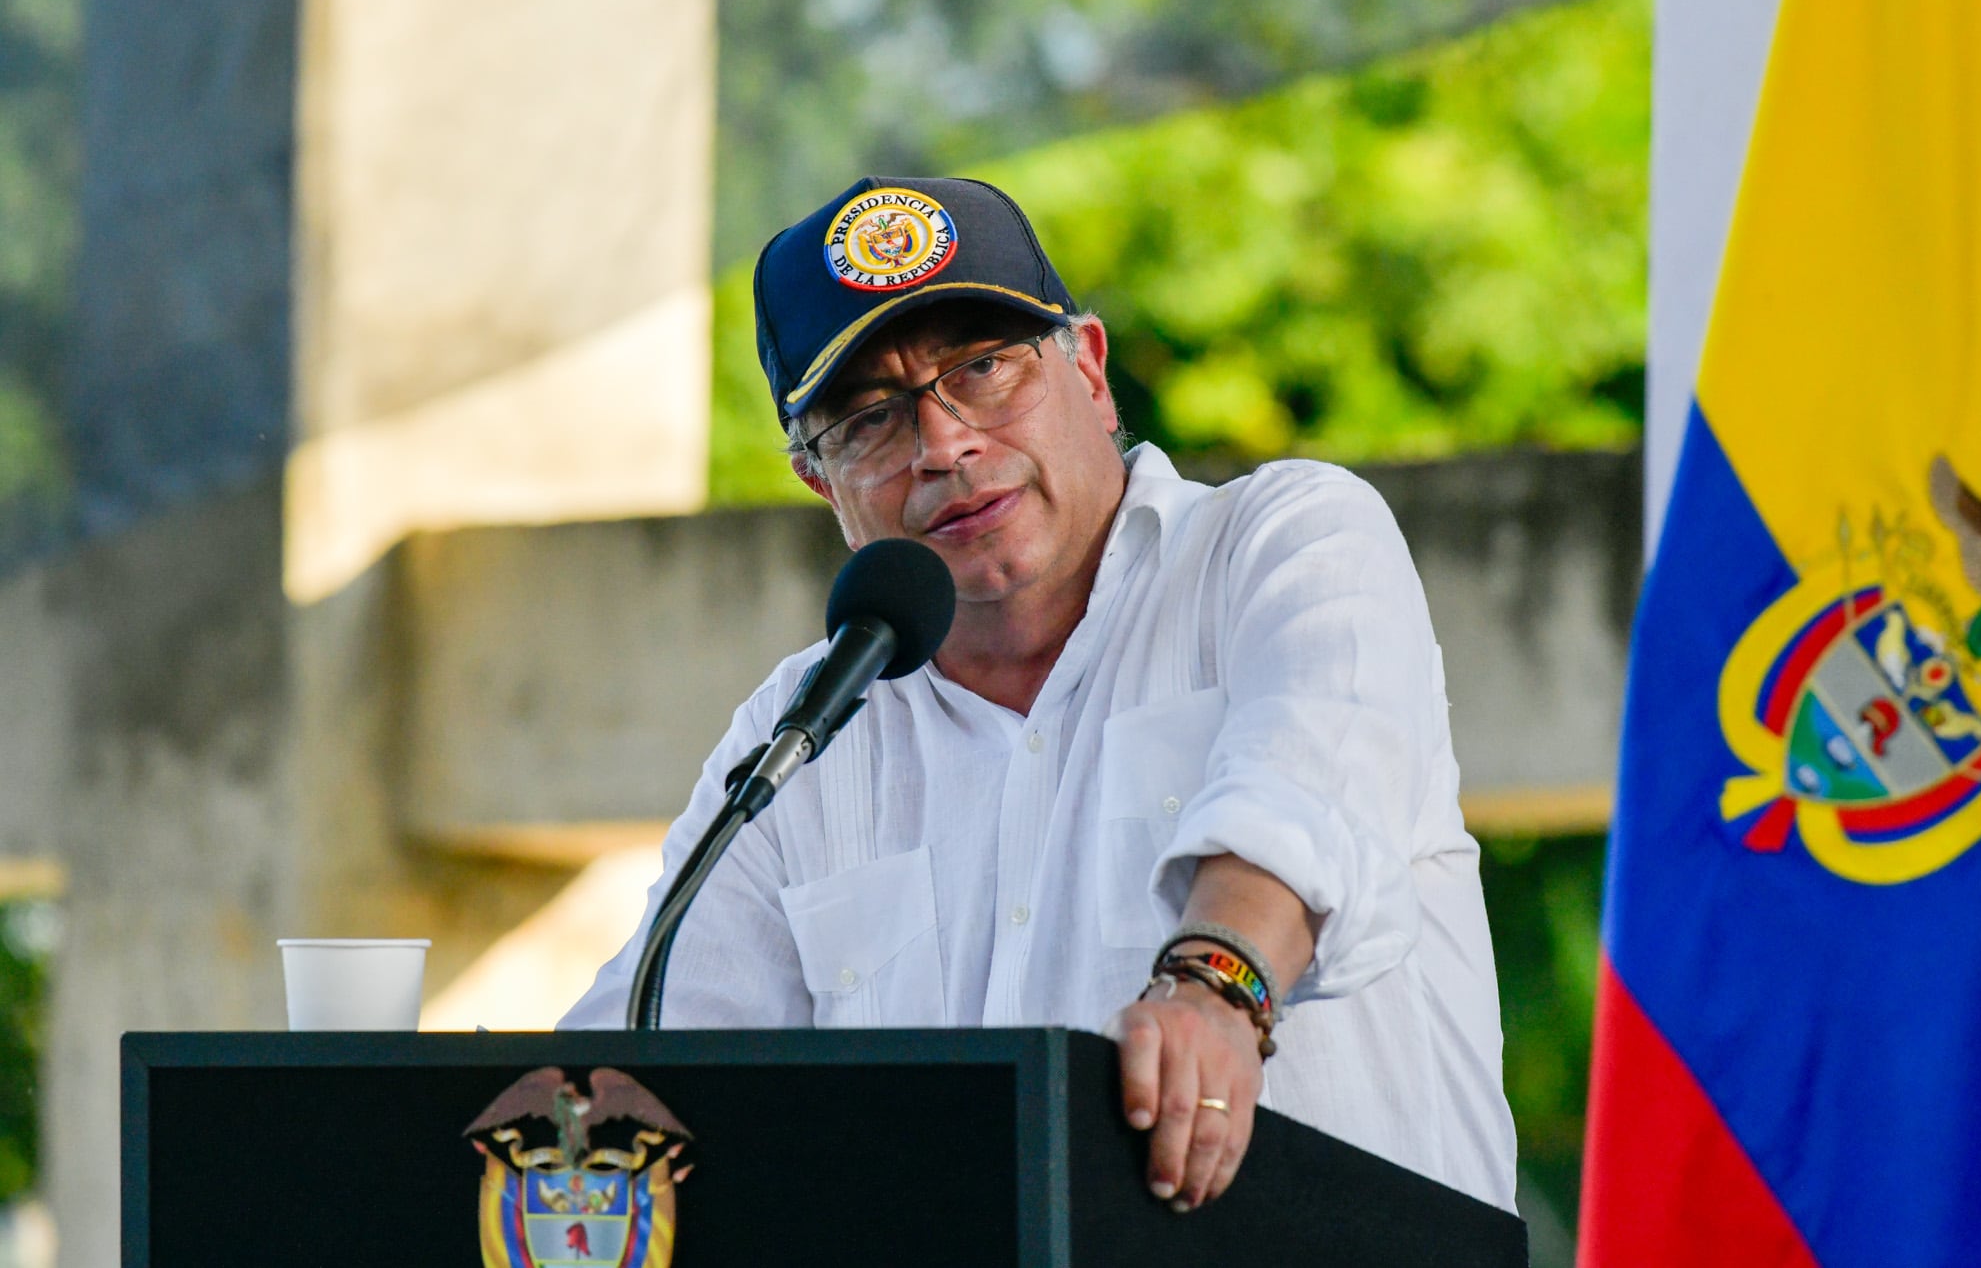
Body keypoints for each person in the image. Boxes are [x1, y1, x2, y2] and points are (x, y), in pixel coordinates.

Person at [564, 176, 1518, 1213]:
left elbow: (1308, 793)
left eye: (982, 368)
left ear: (1091, 372)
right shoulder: (806, 724)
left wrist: (1216, 984)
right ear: (818, 482)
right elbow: (637, 1064)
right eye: (870, 418)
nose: (943, 446)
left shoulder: (1283, 541)